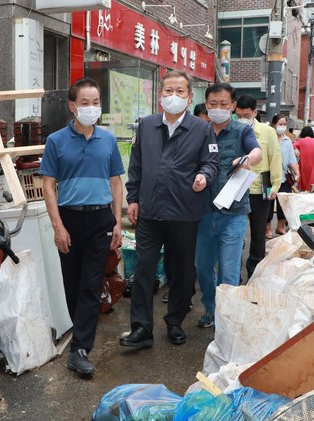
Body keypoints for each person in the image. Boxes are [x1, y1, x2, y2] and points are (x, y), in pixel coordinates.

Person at [120, 69, 219, 348]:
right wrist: (133, 199)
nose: (173, 96)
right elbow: (136, 166)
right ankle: (141, 329)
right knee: (143, 269)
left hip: (184, 213)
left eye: (179, 92)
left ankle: (174, 321)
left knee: (181, 272)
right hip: (150, 212)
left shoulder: (202, 129)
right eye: (167, 91)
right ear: (159, 96)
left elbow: (212, 162)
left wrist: (205, 176)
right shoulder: (147, 125)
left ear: (189, 98)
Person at [40, 77, 125, 378]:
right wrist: (57, 226)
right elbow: (48, 185)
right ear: (73, 105)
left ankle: (80, 349)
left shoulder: (109, 140)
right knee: (73, 284)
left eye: (96, 102)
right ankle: (79, 338)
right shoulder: (56, 141)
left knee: (91, 284)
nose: (92, 108)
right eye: (85, 103)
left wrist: (117, 221)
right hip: (70, 219)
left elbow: (116, 182)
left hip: (101, 219)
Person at [195, 83, 262, 328]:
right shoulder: (199, 131)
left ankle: (228, 317)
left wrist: (246, 159)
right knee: (202, 267)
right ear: (206, 105)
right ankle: (211, 309)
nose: (218, 109)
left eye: (224, 104)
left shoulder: (241, 131)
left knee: (229, 270)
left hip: (233, 214)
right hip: (202, 212)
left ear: (233, 106)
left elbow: (256, 152)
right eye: (213, 104)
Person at [162, 102, 209, 305]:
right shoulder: (169, 131)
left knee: (191, 256)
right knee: (173, 255)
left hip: (197, 208)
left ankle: (188, 296)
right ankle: (178, 291)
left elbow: (210, 164)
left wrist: (204, 176)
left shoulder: (205, 133)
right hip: (174, 206)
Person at [235, 95, 282, 281]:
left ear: (255, 112)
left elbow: (275, 158)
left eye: (246, 115)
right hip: (236, 188)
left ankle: (254, 274)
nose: (242, 118)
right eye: (238, 115)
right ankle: (234, 274)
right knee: (235, 234)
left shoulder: (267, 132)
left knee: (258, 234)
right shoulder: (232, 129)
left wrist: (276, 186)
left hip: (259, 190)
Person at [266, 113, 300, 238]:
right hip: (268, 178)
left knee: (283, 204)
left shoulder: (287, 141)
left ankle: (280, 227)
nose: (283, 127)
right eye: (280, 124)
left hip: (284, 178)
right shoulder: (269, 138)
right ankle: (267, 229)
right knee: (268, 204)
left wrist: (297, 173)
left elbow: (292, 160)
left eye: (285, 124)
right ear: (274, 124)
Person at [293, 126, 314, 192]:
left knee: (303, 182)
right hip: (313, 165)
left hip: (303, 165)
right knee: (312, 184)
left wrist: (296, 149)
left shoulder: (300, 141)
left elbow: (292, 146)